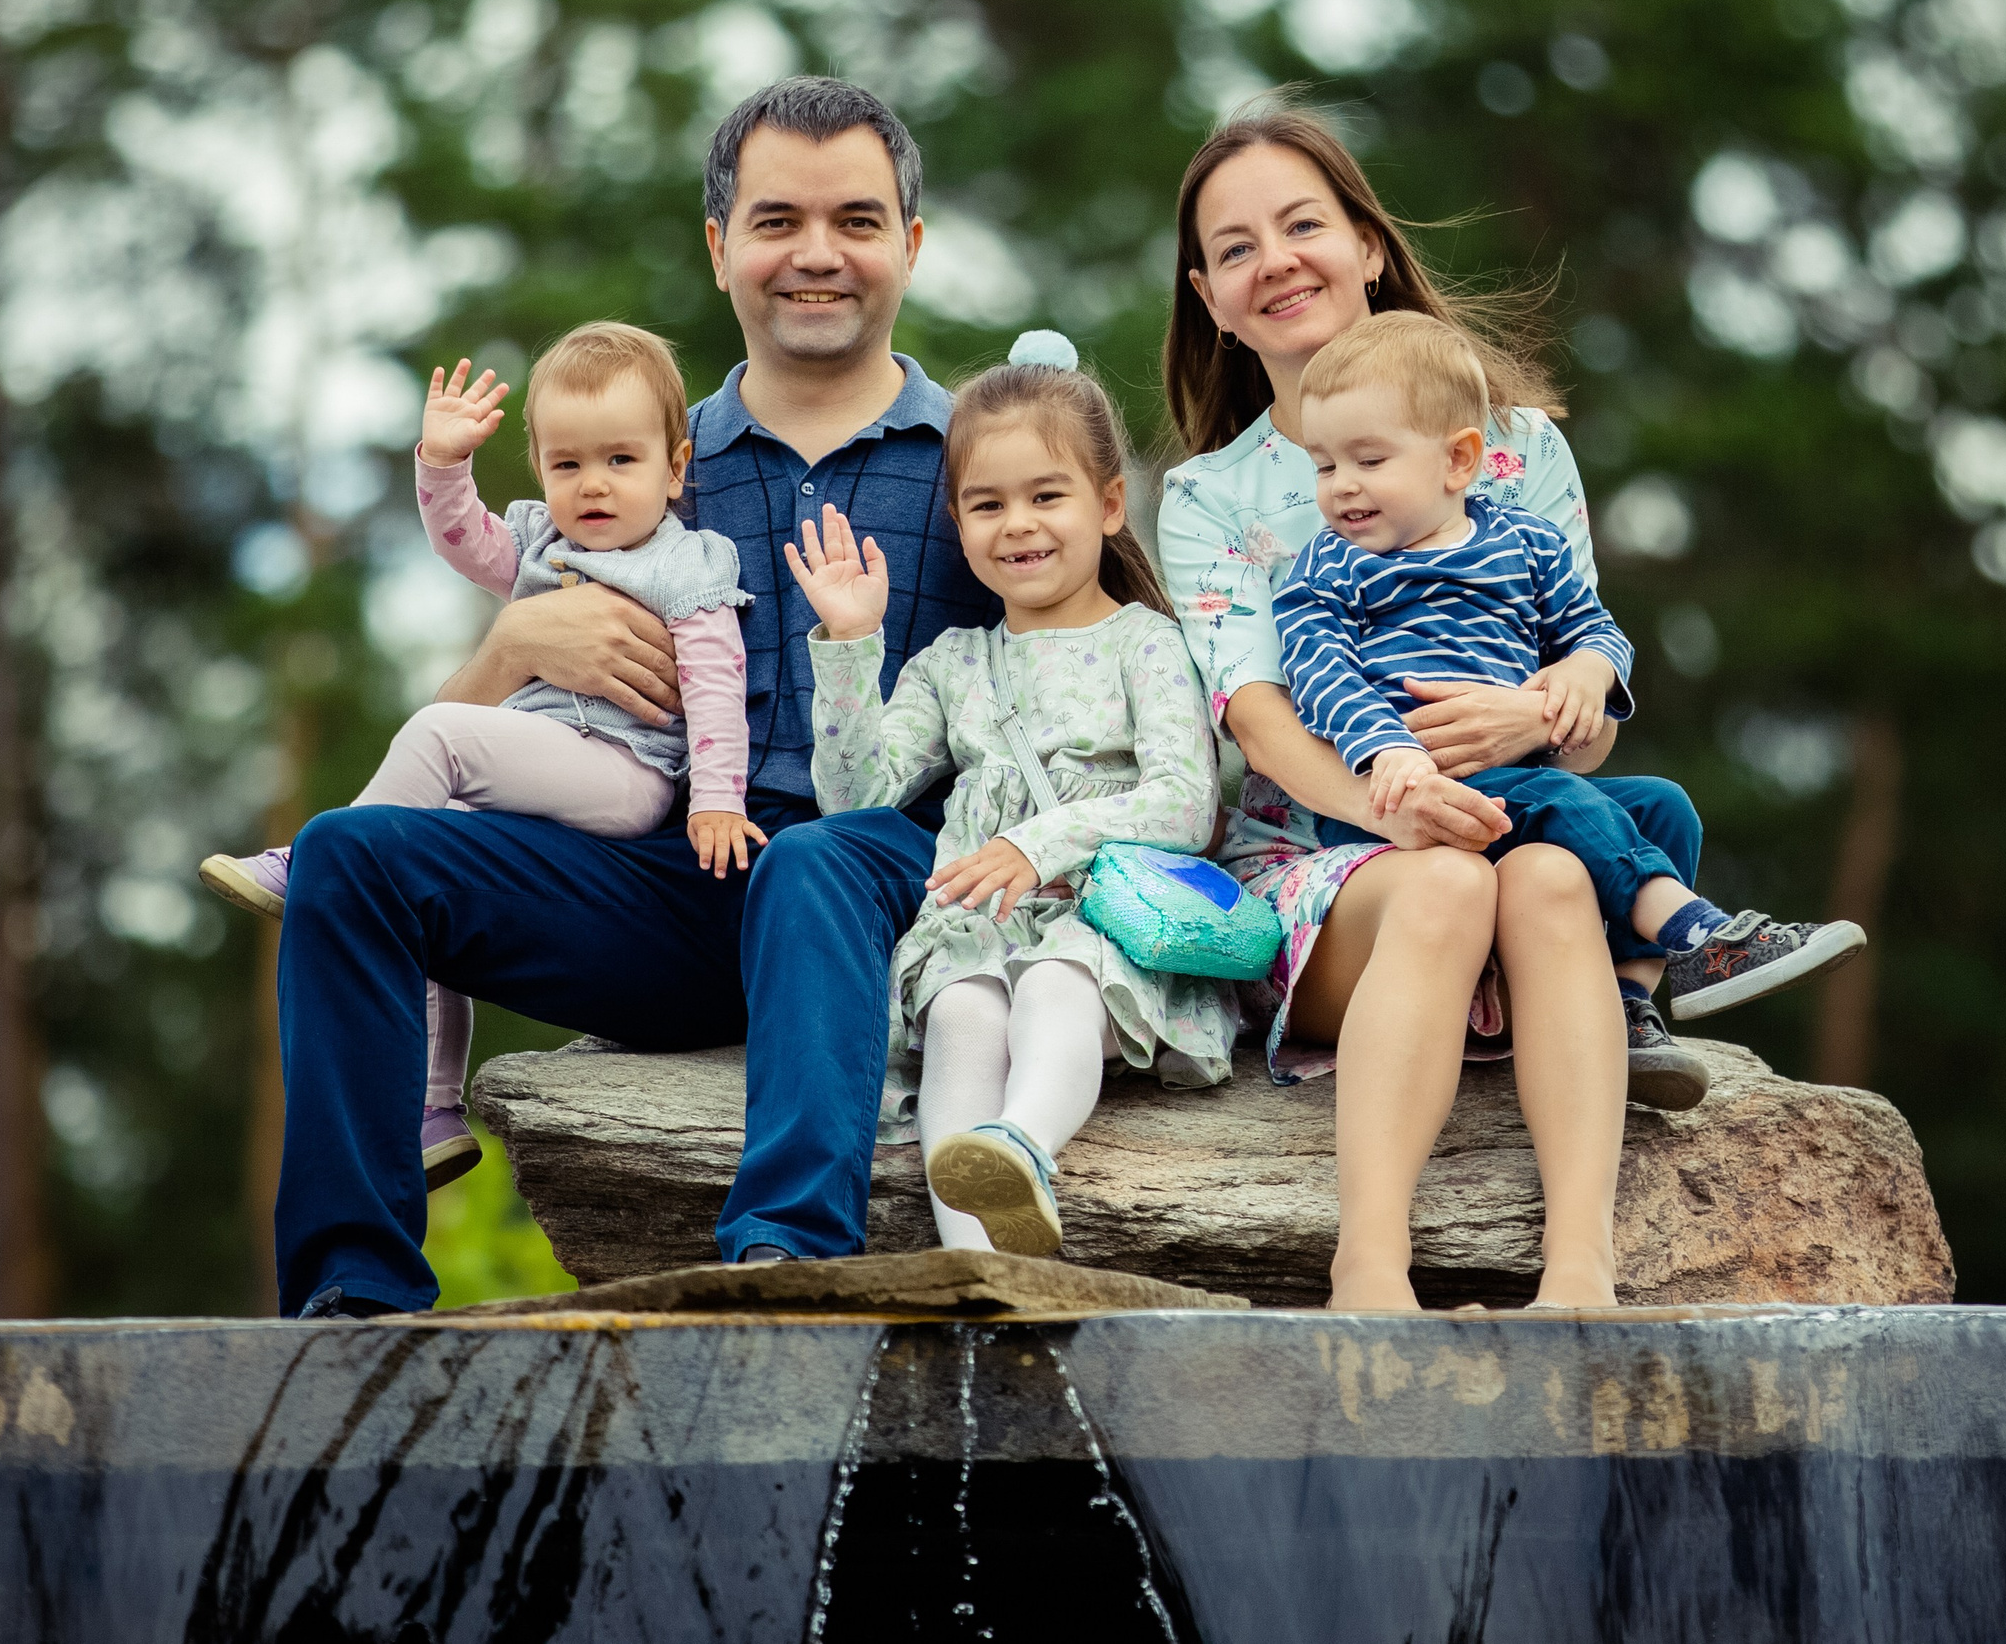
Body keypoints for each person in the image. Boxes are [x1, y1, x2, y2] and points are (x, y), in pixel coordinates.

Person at [265, 77, 996, 1319]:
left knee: (814, 858)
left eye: (857, 221)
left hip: (889, 892)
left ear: (910, 248)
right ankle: (351, 1290)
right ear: (719, 250)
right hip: (665, 891)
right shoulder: (640, 462)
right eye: (776, 221)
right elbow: (461, 739)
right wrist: (512, 649)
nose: (816, 254)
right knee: (350, 854)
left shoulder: (992, 460)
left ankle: (785, 1257)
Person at [1155, 100, 1672, 1310]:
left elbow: (1582, 681)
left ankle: (1580, 1275)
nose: (1273, 261)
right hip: (1329, 853)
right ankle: (1368, 1270)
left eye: (1301, 224)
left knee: (1543, 877)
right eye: (1235, 249)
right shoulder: (1208, 498)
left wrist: (1546, 715)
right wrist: (1392, 808)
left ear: (1369, 244)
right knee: (1448, 882)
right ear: (1212, 297)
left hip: (1513, 820)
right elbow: (1258, 715)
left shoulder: (1516, 447)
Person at [197, 322, 761, 1194]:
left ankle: (315, 858)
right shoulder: (542, 545)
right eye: (569, 464)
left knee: (436, 735)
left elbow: (719, 686)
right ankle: (432, 1107)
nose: (595, 485)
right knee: (426, 861)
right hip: (546, 759)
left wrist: (716, 799)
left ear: (675, 466)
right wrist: (442, 463)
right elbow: (465, 541)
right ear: (539, 467)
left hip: (624, 773)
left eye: (621, 460)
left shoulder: (687, 563)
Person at [1277, 310, 1867, 1036]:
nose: (1341, 487)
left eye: (1369, 461)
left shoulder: (1526, 543)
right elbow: (1318, 668)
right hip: (1400, 801)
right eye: (1324, 465)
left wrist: (1588, 673)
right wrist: (1387, 748)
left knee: (1663, 805)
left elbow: (1594, 630)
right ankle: (1698, 937)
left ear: (1458, 461)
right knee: (1562, 795)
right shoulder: (1327, 565)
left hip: (1516, 780)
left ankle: (1626, 1002)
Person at [786, 336, 1232, 1256]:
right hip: (981, 925)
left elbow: (1186, 803)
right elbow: (854, 799)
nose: (1018, 523)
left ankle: (1021, 1142)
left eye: (1046, 495)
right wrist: (847, 642)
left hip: (1105, 926)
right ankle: (975, 1258)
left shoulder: (1147, 644)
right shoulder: (953, 663)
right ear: (958, 520)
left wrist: (1041, 844)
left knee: (1054, 989)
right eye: (988, 504)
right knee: (959, 1014)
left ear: (1110, 505)